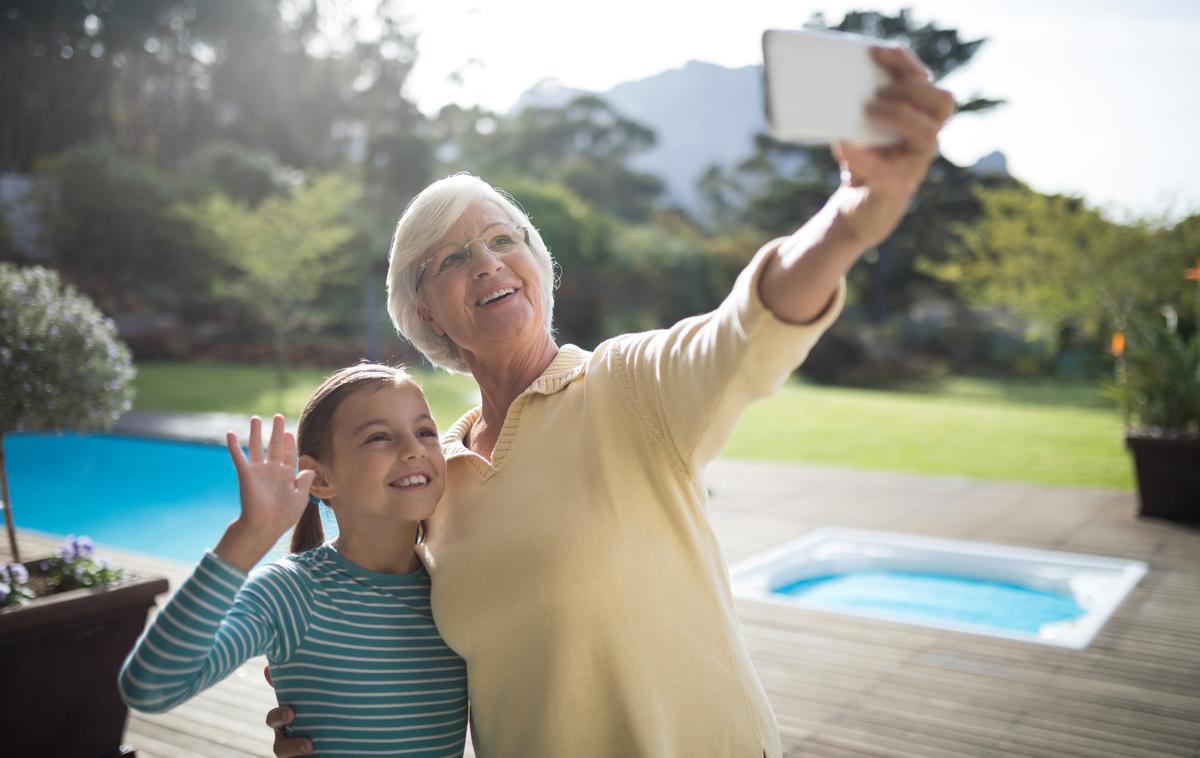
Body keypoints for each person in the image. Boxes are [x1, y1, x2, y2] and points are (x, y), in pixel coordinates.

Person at [269, 45, 955, 758]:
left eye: (505, 239)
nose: (488, 261)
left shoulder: (628, 387)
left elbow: (742, 333)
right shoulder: (431, 479)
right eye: (452, 258)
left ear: (540, 268)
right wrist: (332, 717)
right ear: (428, 314)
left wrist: (850, 218)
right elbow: (408, 642)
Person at [120, 364, 468, 758]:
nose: (414, 448)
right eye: (378, 437)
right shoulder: (290, 593)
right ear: (318, 479)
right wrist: (249, 535)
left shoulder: (455, 586)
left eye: (425, 431)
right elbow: (150, 688)